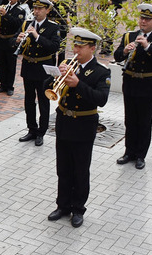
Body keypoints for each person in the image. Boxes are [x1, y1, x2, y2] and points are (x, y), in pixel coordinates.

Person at [46, 28, 111, 228]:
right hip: (64, 122)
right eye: (75, 45)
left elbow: (101, 100)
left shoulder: (102, 71)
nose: (76, 50)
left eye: (81, 47)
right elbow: (46, 87)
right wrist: (55, 76)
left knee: (80, 170)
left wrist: (77, 84)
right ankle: (63, 205)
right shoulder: (66, 64)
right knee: (63, 168)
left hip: (83, 125)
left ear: (92, 48)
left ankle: (78, 209)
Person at [113, 4, 152, 169]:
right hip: (130, 83)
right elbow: (117, 56)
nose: (143, 21)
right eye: (142, 18)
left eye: (147, 19)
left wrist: (147, 47)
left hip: (147, 86)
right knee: (130, 120)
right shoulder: (129, 36)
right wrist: (124, 52)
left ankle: (140, 155)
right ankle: (129, 152)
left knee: (144, 122)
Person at [16, 0, 61, 147]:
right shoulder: (26, 24)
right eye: (35, 8)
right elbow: (14, 43)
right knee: (29, 100)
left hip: (43, 69)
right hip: (28, 67)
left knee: (43, 101)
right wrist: (17, 40)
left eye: (40, 9)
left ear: (47, 10)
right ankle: (31, 129)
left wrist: (36, 36)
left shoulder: (53, 27)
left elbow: (54, 47)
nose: (36, 11)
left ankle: (41, 132)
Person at [0, 0, 25, 95]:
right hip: (1, 39)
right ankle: (2, 85)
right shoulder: (4, 7)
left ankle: (10, 86)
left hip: (11, 40)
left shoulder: (20, 10)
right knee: (1, 64)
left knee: (10, 65)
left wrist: (6, 15)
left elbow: (17, 23)